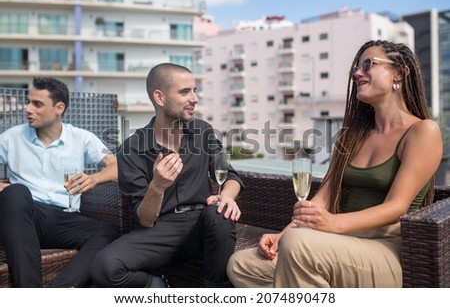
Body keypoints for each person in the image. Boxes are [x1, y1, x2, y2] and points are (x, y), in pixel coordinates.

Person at [227, 39, 442, 287]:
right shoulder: (352, 135)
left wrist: (332, 223)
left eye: (368, 64)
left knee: (298, 246)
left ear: (399, 72)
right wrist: (282, 235)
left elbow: (397, 207)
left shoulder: (422, 132)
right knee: (242, 265)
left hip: (387, 249)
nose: (357, 73)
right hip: (337, 242)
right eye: (355, 69)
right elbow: (323, 198)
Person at [90, 62, 244, 288]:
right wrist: (157, 186)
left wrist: (227, 196)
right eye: (184, 92)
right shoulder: (131, 148)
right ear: (160, 98)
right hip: (160, 231)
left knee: (220, 215)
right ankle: (155, 283)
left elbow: (230, 175)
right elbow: (144, 219)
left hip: (202, 224)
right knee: (103, 267)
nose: (194, 98)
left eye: (194, 90)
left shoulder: (203, 131)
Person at [0, 77, 119, 287]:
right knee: (16, 192)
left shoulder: (81, 138)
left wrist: (94, 178)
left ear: (59, 108)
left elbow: (116, 165)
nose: (28, 109)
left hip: (62, 218)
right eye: (28, 102)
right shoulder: (11, 138)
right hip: (24, 214)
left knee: (107, 234)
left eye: (37, 104)